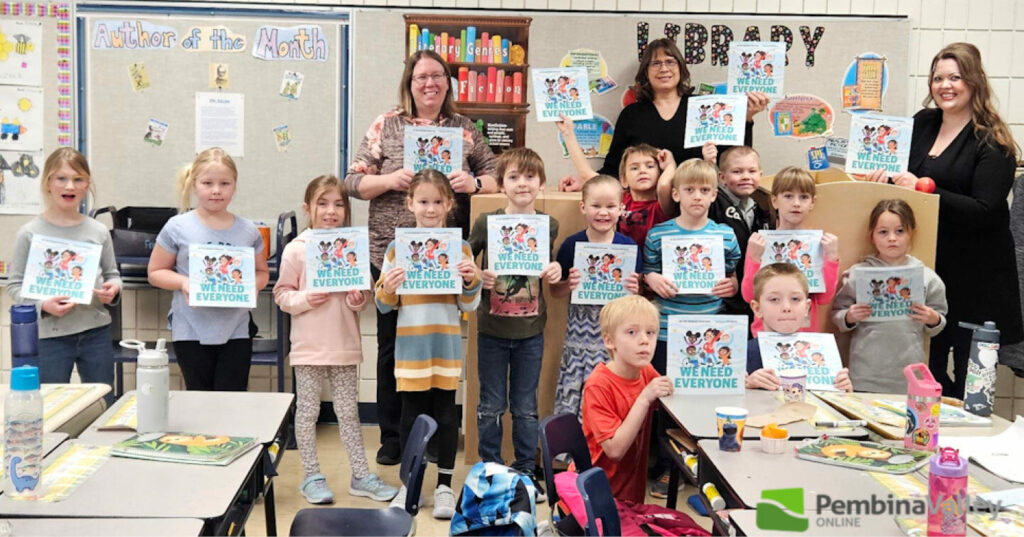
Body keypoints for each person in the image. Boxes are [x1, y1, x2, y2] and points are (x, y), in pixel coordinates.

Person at [345, 50, 498, 464]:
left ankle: (434, 437)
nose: (429, 83)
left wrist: (474, 182)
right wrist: (388, 179)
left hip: (443, 261)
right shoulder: (387, 124)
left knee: (436, 345)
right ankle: (394, 437)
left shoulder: (464, 128)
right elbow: (352, 182)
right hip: (390, 253)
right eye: (420, 77)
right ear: (409, 84)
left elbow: (496, 174)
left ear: (447, 82)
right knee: (391, 349)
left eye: (437, 76)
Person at [863, 43, 1022, 397]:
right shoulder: (922, 123)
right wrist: (881, 176)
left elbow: (984, 210)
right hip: (928, 270)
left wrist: (925, 188)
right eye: (938, 78)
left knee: (970, 384)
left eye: (955, 77)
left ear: (975, 82)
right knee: (924, 372)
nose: (945, 86)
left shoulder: (993, 142)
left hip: (977, 281)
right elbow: (898, 179)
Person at [273, 175, 398, 505]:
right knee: (307, 413)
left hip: (344, 345)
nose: (331, 211)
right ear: (308, 208)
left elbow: (363, 297)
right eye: (323, 203)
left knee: (348, 413)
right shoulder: (297, 249)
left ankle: (361, 475)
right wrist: (305, 299)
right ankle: (311, 476)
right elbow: (282, 294)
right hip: (309, 347)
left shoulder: (352, 247)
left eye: (339, 204)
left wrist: (357, 298)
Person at [375, 169, 482, 519]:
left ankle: (445, 487)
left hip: (445, 347)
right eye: (423, 201)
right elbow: (383, 305)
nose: (431, 208)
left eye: (438, 201)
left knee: (447, 415)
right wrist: (388, 287)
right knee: (410, 417)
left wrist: (471, 281)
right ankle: (412, 484)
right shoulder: (397, 248)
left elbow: (469, 306)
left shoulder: (461, 248)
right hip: (411, 349)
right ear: (410, 204)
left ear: (449, 204)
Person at [642, 158, 738, 496]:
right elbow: (647, 271)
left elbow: (734, 273)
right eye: (690, 189)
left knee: (702, 401)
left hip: (711, 330)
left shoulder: (725, 235)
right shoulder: (658, 234)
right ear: (676, 194)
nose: (697, 196)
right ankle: (666, 468)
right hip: (667, 330)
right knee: (666, 402)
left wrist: (733, 285)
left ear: (714, 195)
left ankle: (702, 467)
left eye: (705, 190)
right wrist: (651, 278)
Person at [467, 148, 561, 491]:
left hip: (531, 332)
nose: (522, 183)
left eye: (530, 176)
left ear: (541, 182)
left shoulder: (548, 225)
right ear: (501, 184)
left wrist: (556, 268)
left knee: (525, 407)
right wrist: (478, 275)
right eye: (514, 177)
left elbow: (549, 266)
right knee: (491, 405)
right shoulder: (486, 222)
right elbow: (463, 259)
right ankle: (491, 467)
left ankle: (525, 469)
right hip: (492, 330)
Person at [558, 38, 768, 190]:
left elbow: (731, 159)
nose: (664, 69)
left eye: (670, 61)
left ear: (681, 68)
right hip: (646, 208)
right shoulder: (632, 115)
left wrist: (747, 119)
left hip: (698, 206)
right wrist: (586, 181)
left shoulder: (703, 107)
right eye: (655, 63)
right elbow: (615, 169)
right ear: (646, 72)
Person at [147, 147, 270, 391]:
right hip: (190, 329)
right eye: (207, 183)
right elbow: (155, 272)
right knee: (199, 397)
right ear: (194, 185)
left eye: (225, 183)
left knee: (232, 397)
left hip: (236, 329)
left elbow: (262, 273)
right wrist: (184, 282)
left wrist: (251, 286)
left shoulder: (248, 230)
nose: (216, 190)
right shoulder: (177, 227)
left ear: (234, 186)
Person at [7, 148, 121, 402]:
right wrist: (43, 305)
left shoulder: (98, 231)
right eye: (61, 178)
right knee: (51, 405)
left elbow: (112, 275)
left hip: (96, 332)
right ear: (48, 182)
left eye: (78, 179)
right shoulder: (29, 233)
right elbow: (14, 285)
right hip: (50, 336)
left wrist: (113, 290)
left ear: (87, 185)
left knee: (103, 402)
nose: (70, 186)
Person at [831, 200, 948, 393]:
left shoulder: (926, 277)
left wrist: (933, 318)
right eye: (883, 232)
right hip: (864, 376)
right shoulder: (857, 274)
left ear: (911, 233)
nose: (892, 238)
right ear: (872, 236)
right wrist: (849, 316)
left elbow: (940, 318)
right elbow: (837, 313)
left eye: (900, 231)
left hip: (909, 376)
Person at [551, 175, 643, 420]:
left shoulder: (628, 247)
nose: (603, 212)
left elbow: (637, 301)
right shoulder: (572, 245)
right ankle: (570, 443)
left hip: (615, 342)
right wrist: (568, 285)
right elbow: (554, 292)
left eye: (611, 206)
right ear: (583, 207)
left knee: (607, 403)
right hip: (578, 341)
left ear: (621, 209)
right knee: (574, 399)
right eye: (596, 206)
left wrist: (635, 290)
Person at [581, 294, 673, 504]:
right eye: (632, 332)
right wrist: (645, 398)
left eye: (650, 332)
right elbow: (615, 450)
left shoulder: (645, 371)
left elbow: (677, 398)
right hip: (596, 498)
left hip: (629, 498)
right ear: (609, 341)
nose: (644, 340)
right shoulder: (599, 384)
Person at [741, 166, 840, 336]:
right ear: (774, 201)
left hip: (804, 334)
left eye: (804, 197)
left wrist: (832, 259)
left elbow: (824, 298)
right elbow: (750, 295)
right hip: (766, 334)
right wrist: (754, 259)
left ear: (812, 202)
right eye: (788, 196)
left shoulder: (819, 245)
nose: (796, 203)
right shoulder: (761, 243)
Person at [556, 121, 677, 246]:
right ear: (623, 180)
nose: (642, 171)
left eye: (650, 166)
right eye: (634, 168)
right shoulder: (622, 198)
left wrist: (670, 164)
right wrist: (568, 133)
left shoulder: (662, 205)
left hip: (650, 258)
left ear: (660, 174)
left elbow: (664, 186)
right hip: (622, 256)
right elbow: (587, 174)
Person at [745, 263, 852, 392]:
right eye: (774, 299)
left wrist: (845, 390)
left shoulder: (825, 354)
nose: (786, 307)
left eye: (795, 299)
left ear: (807, 307)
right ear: (757, 309)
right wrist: (746, 386)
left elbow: (835, 401)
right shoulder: (743, 355)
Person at [707, 146, 774, 325]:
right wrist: (709, 164)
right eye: (737, 171)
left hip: (752, 293)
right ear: (722, 177)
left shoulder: (763, 210)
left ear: (760, 175)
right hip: (722, 296)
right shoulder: (713, 203)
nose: (745, 176)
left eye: (752, 171)